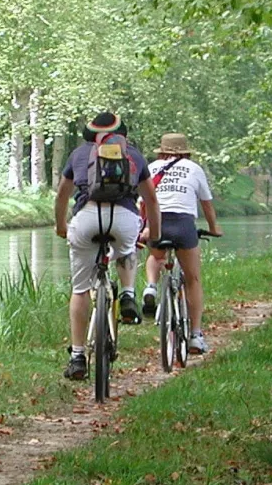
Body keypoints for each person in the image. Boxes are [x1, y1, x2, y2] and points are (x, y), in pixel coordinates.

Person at [54, 112, 161, 381]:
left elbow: (62, 196)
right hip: (124, 219)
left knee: (79, 290)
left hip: (87, 218)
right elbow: (152, 201)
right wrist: (155, 235)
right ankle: (127, 294)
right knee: (127, 251)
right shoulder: (133, 155)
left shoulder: (78, 154)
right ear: (121, 134)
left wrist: (60, 226)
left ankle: (78, 356)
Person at [140, 133, 222, 355]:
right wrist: (214, 228)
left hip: (158, 221)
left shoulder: (152, 167)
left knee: (156, 256)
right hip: (183, 223)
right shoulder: (193, 169)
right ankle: (195, 335)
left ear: (162, 150)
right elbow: (207, 204)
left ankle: (151, 286)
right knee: (193, 279)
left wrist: (144, 227)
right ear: (185, 151)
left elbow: (142, 202)